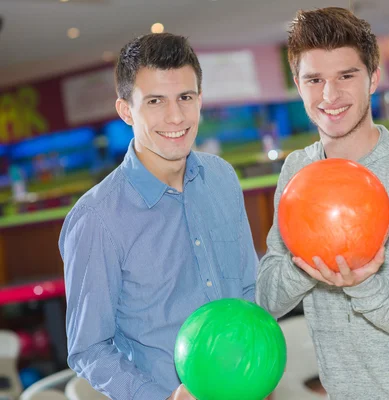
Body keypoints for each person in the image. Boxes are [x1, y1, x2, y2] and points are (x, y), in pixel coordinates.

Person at [256, 7, 389, 399]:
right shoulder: (296, 171)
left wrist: (364, 282)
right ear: (297, 84)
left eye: (346, 76)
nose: (329, 95)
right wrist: (310, 262)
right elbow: (269, 297)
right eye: (314, 79)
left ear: (373, 78)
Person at [59, 33, 257, 400]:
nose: (176, 116)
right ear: (125, 110)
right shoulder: (96, 219)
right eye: (155, 101)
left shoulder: (223, 178)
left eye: (185, 97)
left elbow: (248, 290)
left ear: (200, 99)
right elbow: (89, 349)